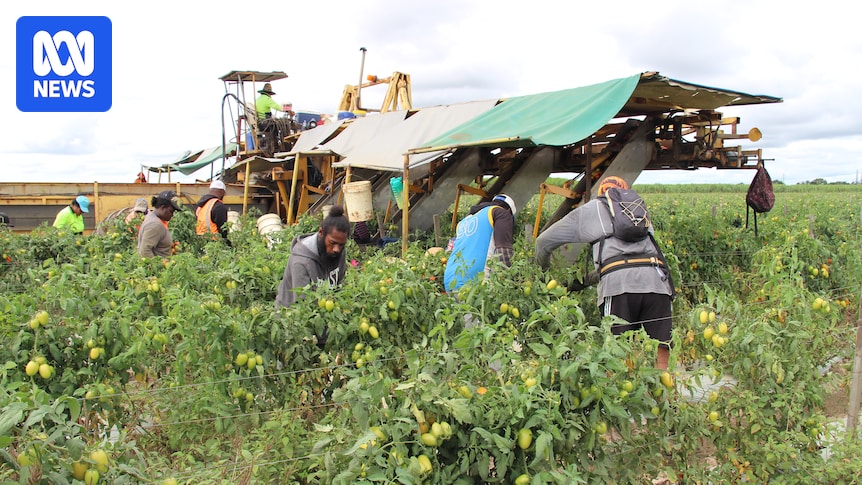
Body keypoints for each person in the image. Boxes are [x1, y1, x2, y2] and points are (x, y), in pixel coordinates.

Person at [534, 176, 674, 370]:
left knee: (616, 354)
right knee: (661, 353)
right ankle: (662, 388)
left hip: (618, 287)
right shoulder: (637, 210)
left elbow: (543, 242)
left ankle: (621, 388)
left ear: (601, 193)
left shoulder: (590, 209)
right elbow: (631, 259)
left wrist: (543, 277)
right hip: (657, 283)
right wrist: (586, 280)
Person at [275, 205, 350, 309]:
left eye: (341, 244)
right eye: (332, 243)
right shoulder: (301, 262)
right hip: (292, 314)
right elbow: (302, 304)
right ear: (321, 233)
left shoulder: (337, 251)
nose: (336, 249)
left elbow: (339, 285)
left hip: (324, 308)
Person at [443, 194, 517, 293]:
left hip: (450, 281)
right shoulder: (501, 213)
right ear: (508, 210)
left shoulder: (464, 221)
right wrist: (514, 282)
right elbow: (503, 252)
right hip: (476, 283)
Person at [137, 191, 183, 258]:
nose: (172, 215)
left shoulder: (155, 219)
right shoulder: (155, 224)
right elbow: (145, 251)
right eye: (171, 211)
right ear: (163, 207)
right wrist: (156, 264)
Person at [195, 180, 230, 244]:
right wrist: (226, 243)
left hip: (200, 241)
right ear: (222, 192)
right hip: (214, 242)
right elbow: (222, 228)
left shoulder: (202, 205)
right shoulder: (218, 206)